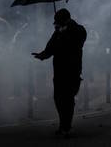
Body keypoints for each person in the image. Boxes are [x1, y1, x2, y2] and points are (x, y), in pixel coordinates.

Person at [32, 8, 87, 137]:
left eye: (58, 21)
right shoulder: (58, 31)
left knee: (67, 98)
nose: (56, 24)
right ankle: (63, 124)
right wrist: (42, 55)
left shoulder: (78, 30)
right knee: (58, 98)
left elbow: (75, 45)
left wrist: (63, 34)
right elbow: (51, 47)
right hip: (59, 70)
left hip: (72, 69)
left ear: (66, 20)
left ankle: (66, 126)